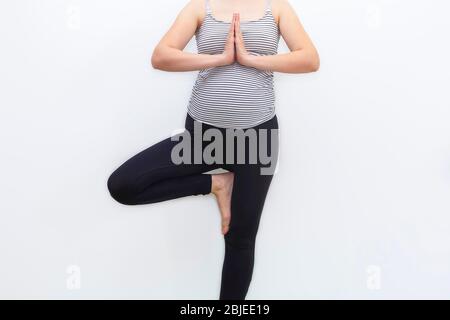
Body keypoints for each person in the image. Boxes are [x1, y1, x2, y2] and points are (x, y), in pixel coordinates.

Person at [107, 0, 319, 300]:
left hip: (257, 141)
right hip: (203, 139)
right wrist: (219, 59)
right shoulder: (199, 7)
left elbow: (310, 59)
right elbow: (161, 56)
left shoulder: (277, 7)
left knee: (240, 239)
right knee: (123, 185)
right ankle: (217, 183)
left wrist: (250, 59)